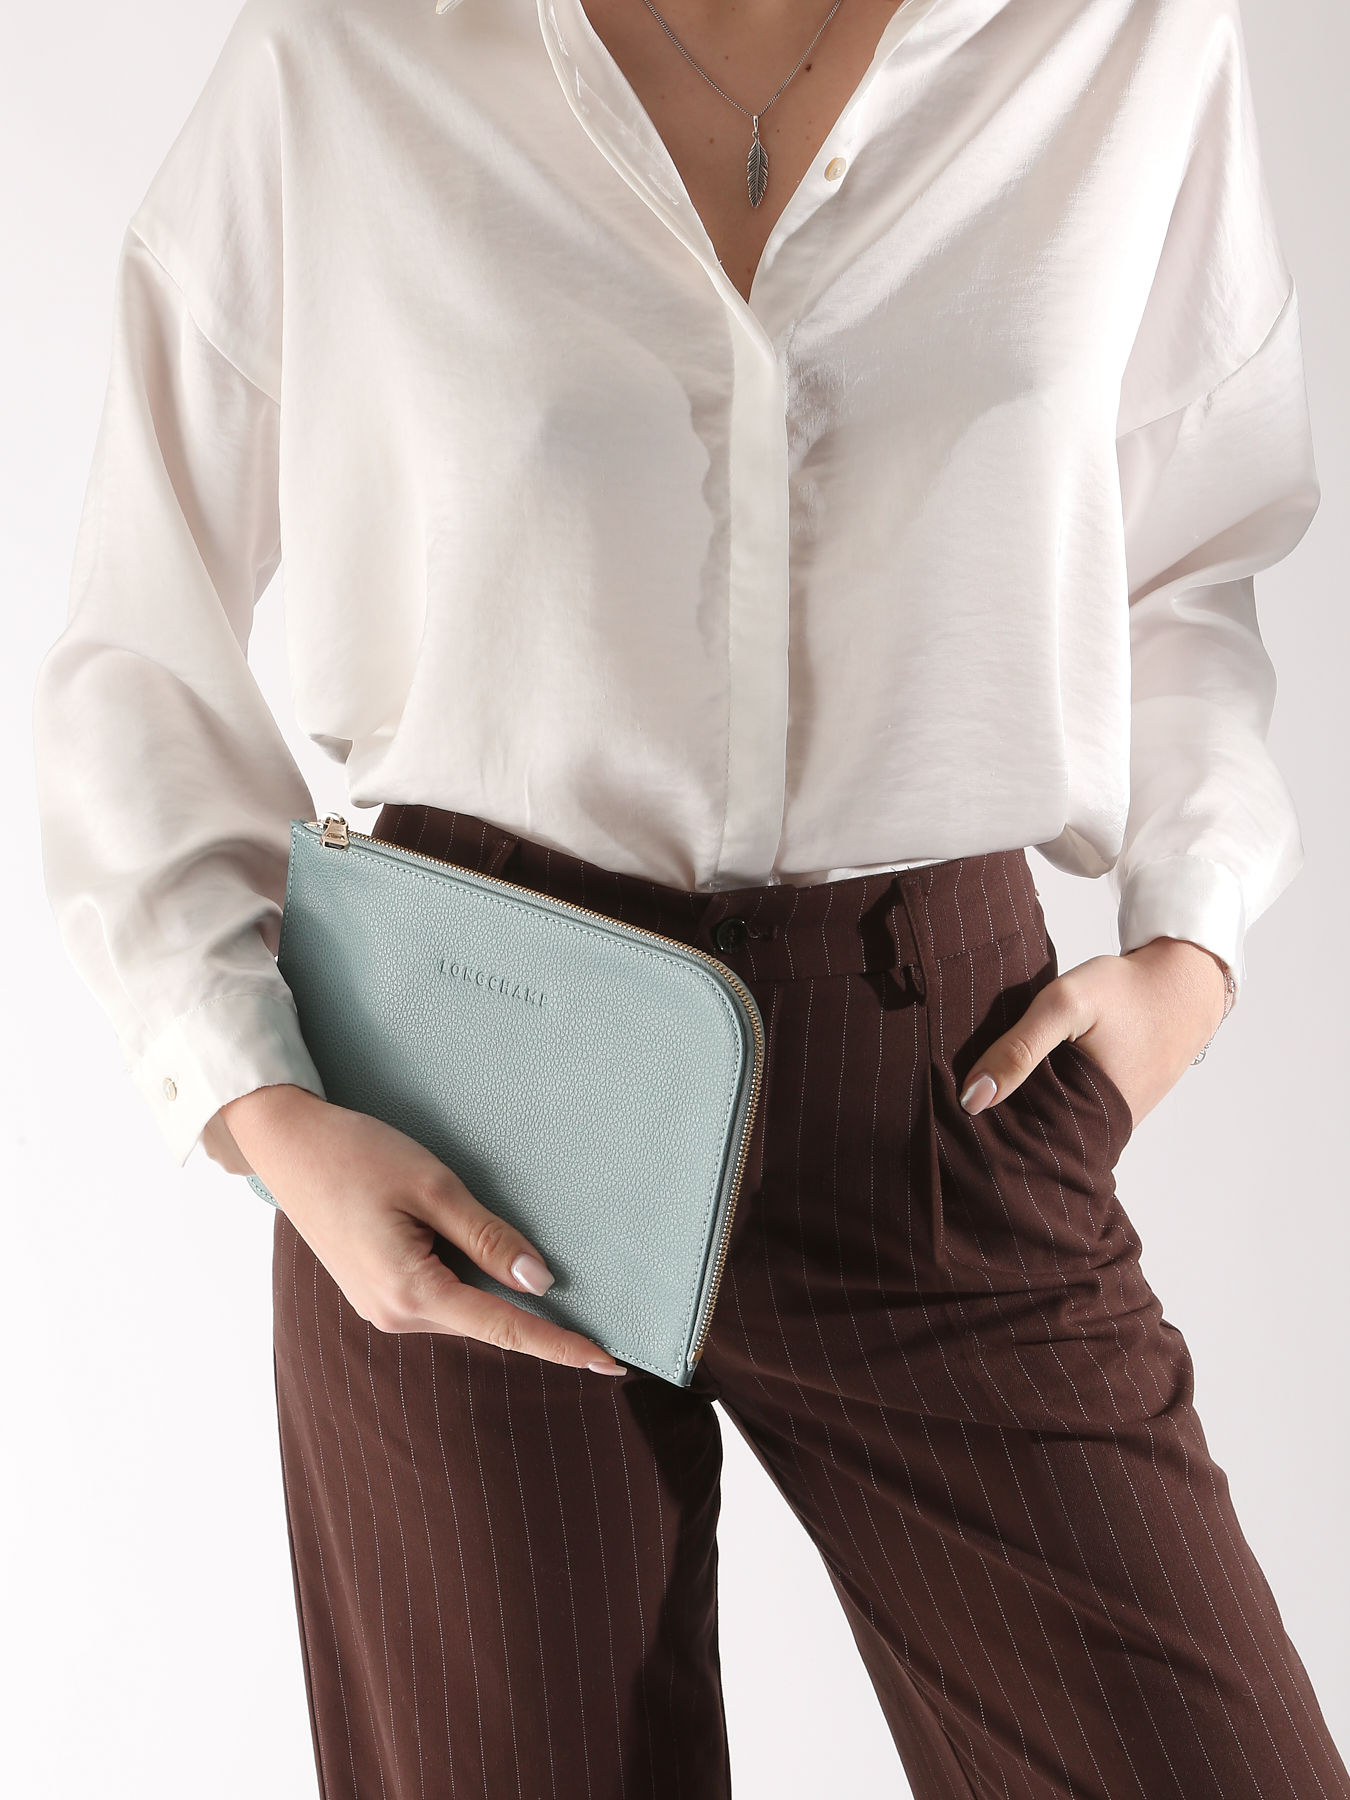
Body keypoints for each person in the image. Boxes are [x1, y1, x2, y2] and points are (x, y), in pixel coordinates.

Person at [32, 0, 1347, 1794]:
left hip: (936, 1098)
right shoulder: (349, 54)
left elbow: (1192, 548)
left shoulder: (1113, 42)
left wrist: (1189, 941)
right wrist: (262, 1108)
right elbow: (141, 630)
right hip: (461, 1099)